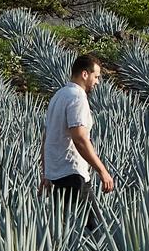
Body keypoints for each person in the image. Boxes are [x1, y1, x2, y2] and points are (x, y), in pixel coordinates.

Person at [41, 53, 116, 228]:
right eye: (96, 76)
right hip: (72, 173)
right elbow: (80, 138)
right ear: (84, 74)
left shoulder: (59, 95)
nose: (97, 82)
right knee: (95, 230)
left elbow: (47, 137)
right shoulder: (77, 97)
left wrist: (46, 173)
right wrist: (102, 171)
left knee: (66, 229)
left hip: (57, 174)